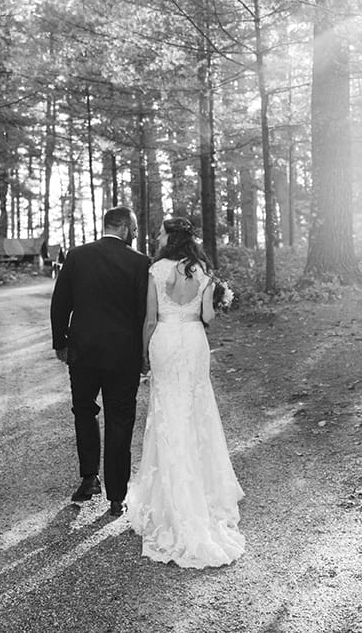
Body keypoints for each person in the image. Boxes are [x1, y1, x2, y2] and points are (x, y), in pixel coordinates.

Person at [126, 216, 244, 568]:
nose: (157, 236)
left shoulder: (157, 269)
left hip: (165, 338)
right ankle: (202, 489)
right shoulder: (205, 272)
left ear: (170, 237)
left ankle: (170, 496)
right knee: (196, 408)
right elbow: (207, 317)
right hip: (193, 341)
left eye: (161, 232)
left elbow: (150, 318)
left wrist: (144, 353)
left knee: (167, 411)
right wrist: (216, 302)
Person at [50, 206, 150, 516]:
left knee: (84, 411)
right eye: (133, 228)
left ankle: (89, 478)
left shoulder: (77, 256)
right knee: (120, 420)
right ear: (123, 228)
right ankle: (117, 497)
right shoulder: (140, 263)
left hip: (84, 352)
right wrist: (145, 353)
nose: (135, 234)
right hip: (124, 356)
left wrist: (61, 343)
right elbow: (144, 313)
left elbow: (60, 303)